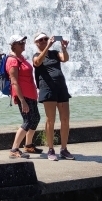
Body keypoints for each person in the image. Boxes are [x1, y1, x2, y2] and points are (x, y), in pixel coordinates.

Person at [33, 33, 73, 161]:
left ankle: (64, 149)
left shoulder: (55, 53)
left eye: (46, 39)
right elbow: (37, 63)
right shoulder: (36, 55)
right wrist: (47, 46)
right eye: (41, 40)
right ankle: (50, 149)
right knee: (50, 120)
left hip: (61, 88)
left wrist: (64, 48)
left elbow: (65, 58)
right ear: (36, 43)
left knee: (65, 119)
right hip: (47, 89)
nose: (44, 41)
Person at [6, 35, 40, 159]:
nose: (23, 44)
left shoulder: (21, 58)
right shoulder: (12, 60)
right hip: (23, 96)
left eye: (23, 42)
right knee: (28, 120)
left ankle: (28, 145)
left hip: (30, 94)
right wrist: (22, 101)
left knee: (35, 118)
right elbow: (14, 82)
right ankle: (14, 149)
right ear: (13, 45)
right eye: (20, 42)